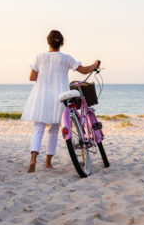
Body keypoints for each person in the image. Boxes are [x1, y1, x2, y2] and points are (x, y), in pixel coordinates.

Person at [22, 30, 100, 173]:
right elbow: (83, 70)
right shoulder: (66, 58)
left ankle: (33, 160)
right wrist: (94, 65)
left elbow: (32, 77)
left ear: (48, 42)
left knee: (38, 128)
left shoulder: (39, 57)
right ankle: (48, 163)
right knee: (53, 129)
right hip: (60, 96)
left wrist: (44, 75)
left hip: (42, 95)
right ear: (62, 43)